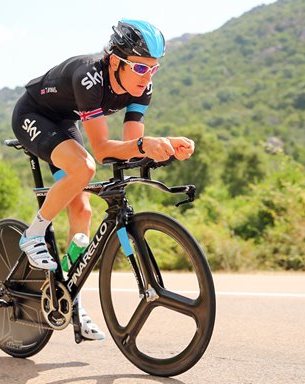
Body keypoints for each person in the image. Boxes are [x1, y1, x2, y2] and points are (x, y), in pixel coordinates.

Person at [11, 19, 195, 340]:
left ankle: (70, 298)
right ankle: (33, 233)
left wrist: (163, 148)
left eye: (153, 69)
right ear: (115, 61)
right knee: (84, 167)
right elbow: (102, 150)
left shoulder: (142, 89)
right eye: (140, 68)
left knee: (82, 211)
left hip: (65, 121)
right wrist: (144, 144)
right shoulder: (89, 78)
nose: (147, 77)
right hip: (33, 115)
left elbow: (128, 150)